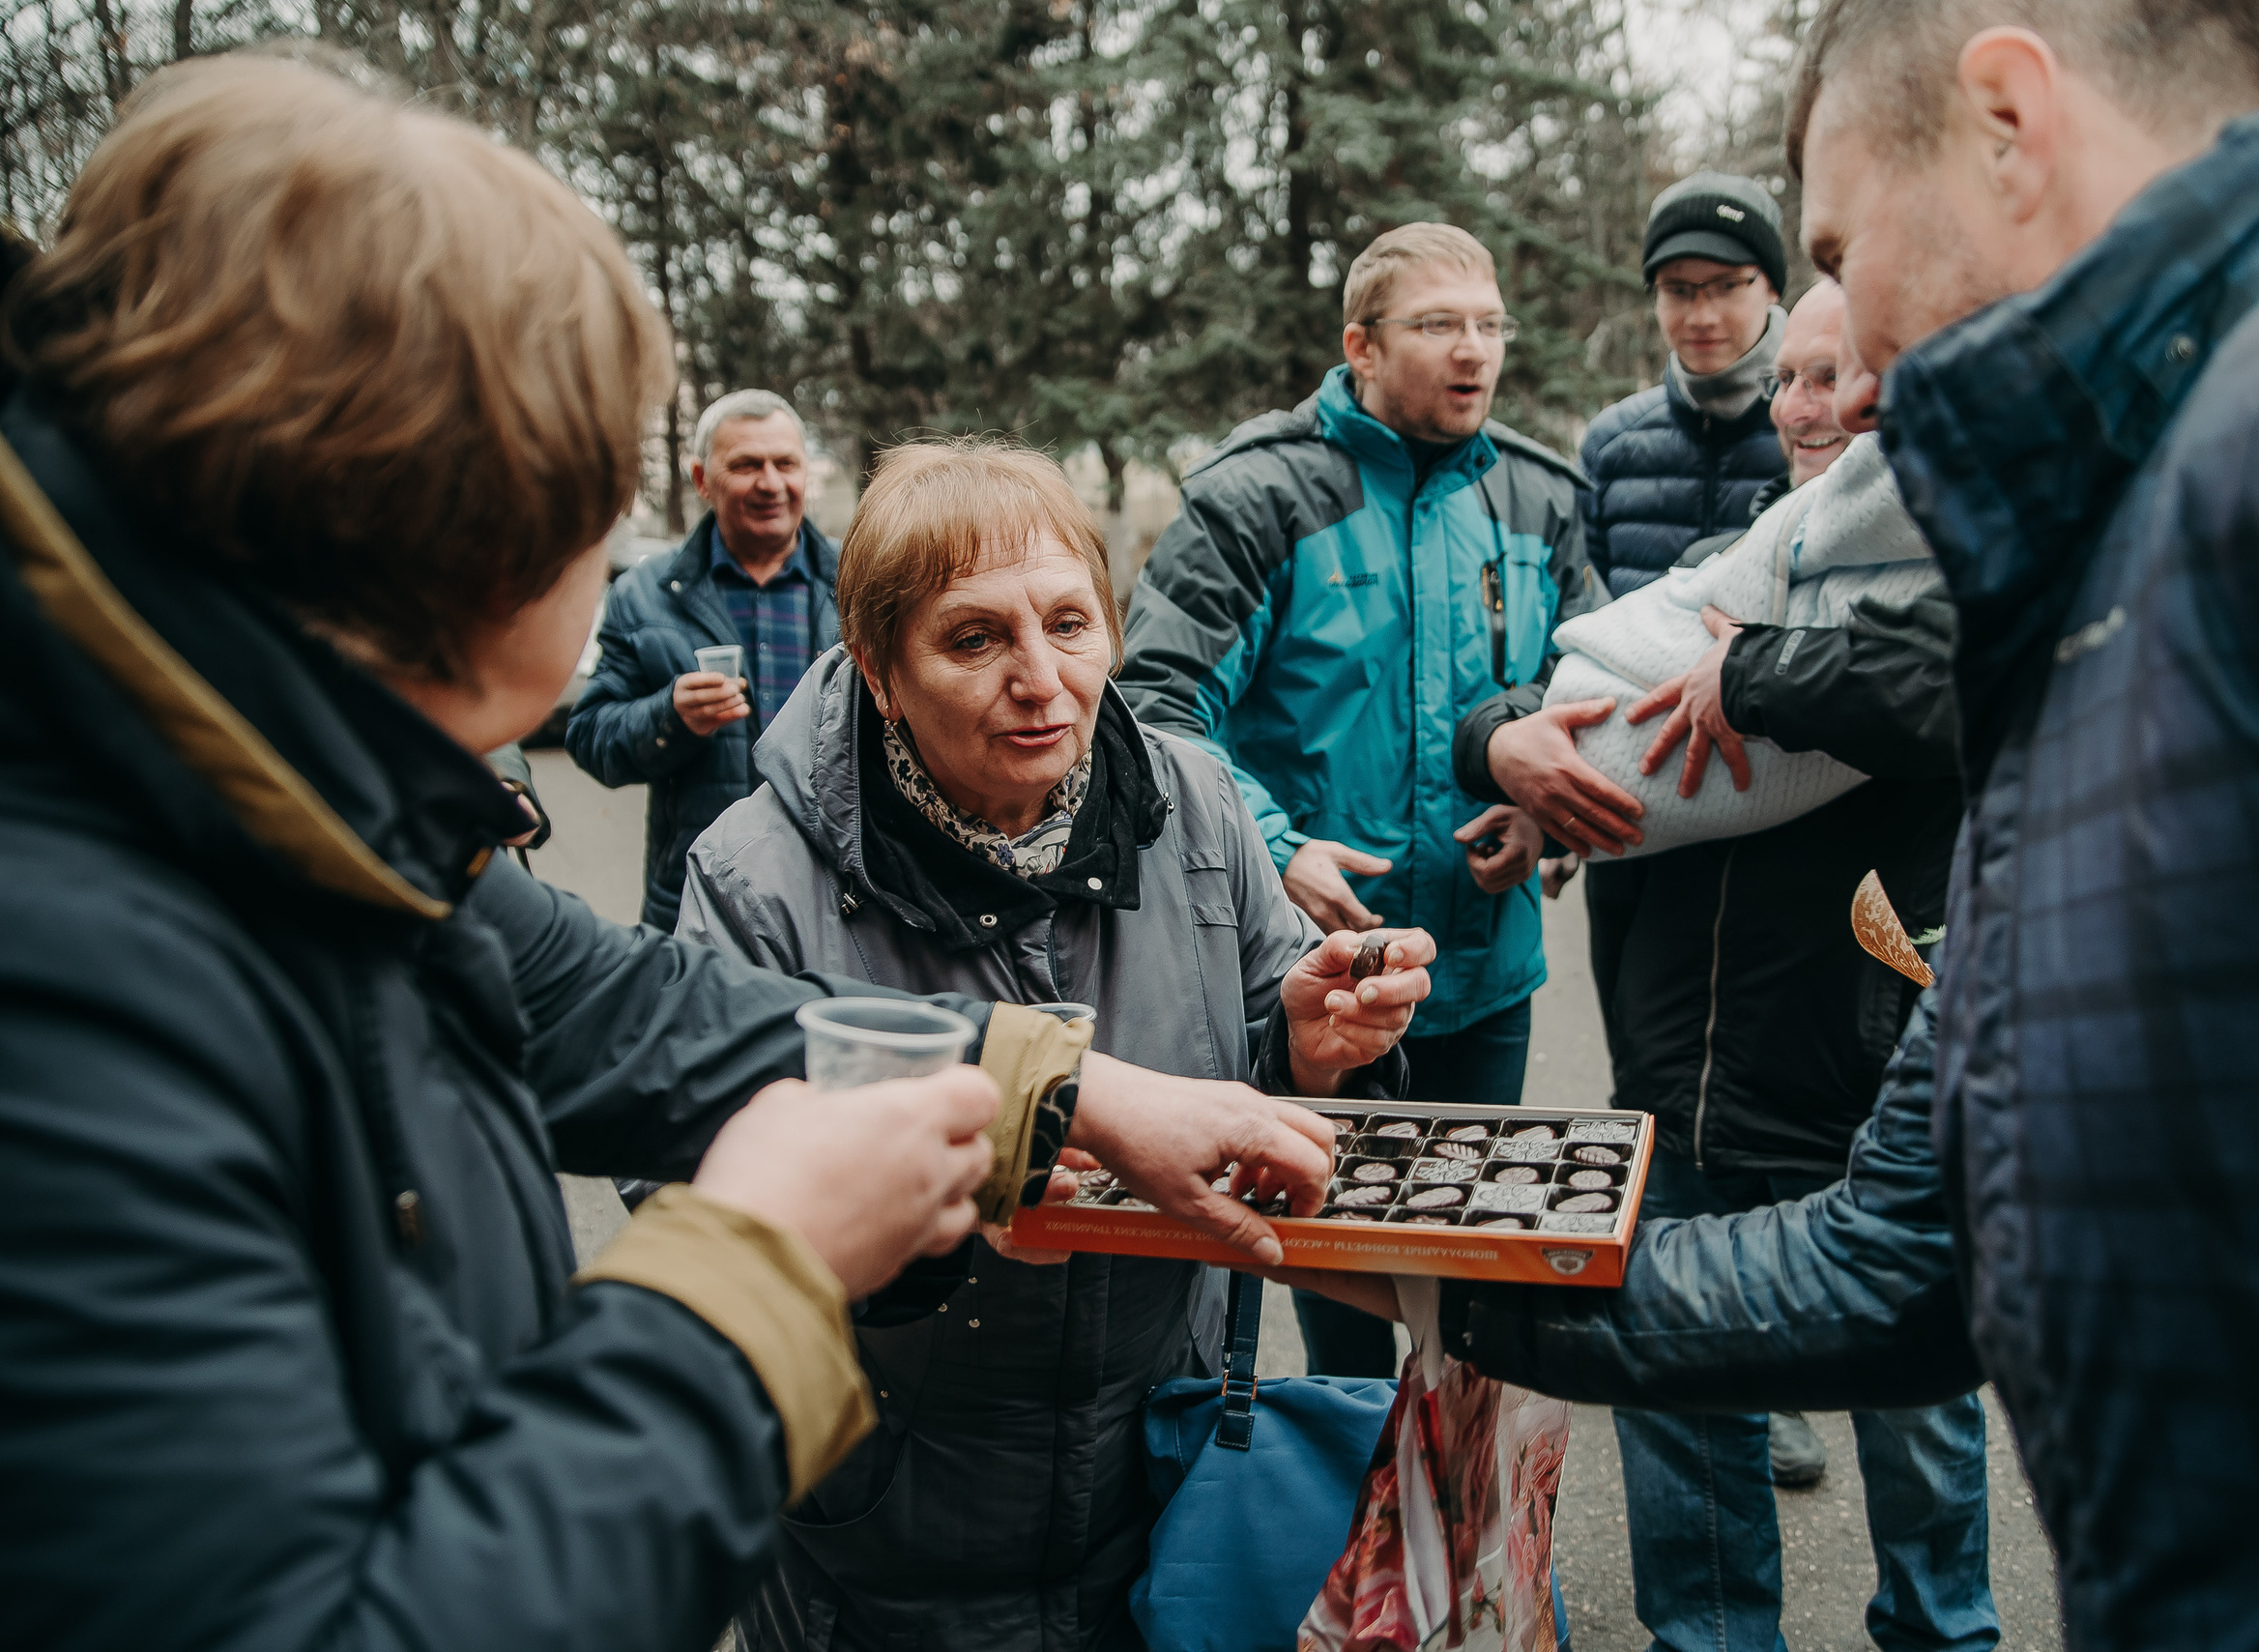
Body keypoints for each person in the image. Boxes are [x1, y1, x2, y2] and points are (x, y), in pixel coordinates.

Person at [0, 57, 1339, 1652]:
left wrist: (1055, 1080)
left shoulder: (269, 794)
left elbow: (601, 1000)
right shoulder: (74, 958)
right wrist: (752, 1279)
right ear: (469, 535)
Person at [1374, 6, 2259, 1647]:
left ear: (2009, 119)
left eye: (1839, 244)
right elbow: (1902, 1262)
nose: (1853, 357)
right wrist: (1401, 1251)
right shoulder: (2088, 574)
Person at [675, 438, 1435, 1652]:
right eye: (974, 639)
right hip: (891, 1517)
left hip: (1156, 1467)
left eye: (1070, 623)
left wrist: (1311, 1044)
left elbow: (1263, 1058)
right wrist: (941, 1202)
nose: (1042, 678)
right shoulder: (753, 876)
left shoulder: (1192, 799)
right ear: (879, 669)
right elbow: (693, 1178)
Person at [1457, 277, 1990, 1652]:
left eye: (1839, 375)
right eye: (1796, 380)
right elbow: (1587, 685)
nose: (1807, 407)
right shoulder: (1754, 553)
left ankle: (1945, 1633)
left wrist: (1755, 676)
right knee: (1684, 1408)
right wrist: (1503, 742)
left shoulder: (1961, 556)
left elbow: (1957, 694)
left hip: (1856, 1063)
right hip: (1670, 1049)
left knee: (1910, 1396)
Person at [1115, 222, 1595, 1376]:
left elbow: (1591, 686)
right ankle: (1355, 1540)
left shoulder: (1539, 496)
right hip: (1321, 986)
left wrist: (1546, 814)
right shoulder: (1257, 495)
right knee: (1349, 1303)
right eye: (1437, 325)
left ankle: (1464, 1551)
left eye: (1488, 325)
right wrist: (1275, 849)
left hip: (1484, 973)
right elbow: (1154, 702)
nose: (1472, 350)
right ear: (1361, 346)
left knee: (1478, 1296)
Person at [565, 389, 841, 931]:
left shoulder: (860, 582)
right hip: (700, 895)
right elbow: (591, 738)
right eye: (745, 465)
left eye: (785, 463)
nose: (770, 483)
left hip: (841, 893)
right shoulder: (644, 593)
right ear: (701, 479)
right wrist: (670, 717)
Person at [1582, 170, 1792, 602]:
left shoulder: (1823, 432)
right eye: (1678, 291)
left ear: (1770, 285)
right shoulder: (1611, 446)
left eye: (1726, 286)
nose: (1701, 317)